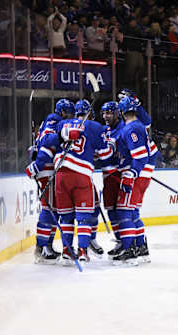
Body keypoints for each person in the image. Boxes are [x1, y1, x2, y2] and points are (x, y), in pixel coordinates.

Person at [38, 100, 113, 264]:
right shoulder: (95, 126)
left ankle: (66, 251)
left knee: (65, 217)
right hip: (81, 175)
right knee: (84, 217)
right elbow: (106, 155)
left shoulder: (61, 123)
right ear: (90, 114)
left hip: (60, 175)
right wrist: (108, 147)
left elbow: (46, 141)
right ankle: (82, 251)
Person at [25, 99, 75, 264]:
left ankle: (47, 246)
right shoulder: (55, 120)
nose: (71, 117)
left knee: (52, 209)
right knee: (49, 209)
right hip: (46, 168)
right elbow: (47, 143)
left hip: (48, 168)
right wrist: (38, 166)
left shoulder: (54, 120)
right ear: (62, 112)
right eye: (69, 113)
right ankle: (42, 248)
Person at [112, 96, 151, 264]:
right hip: (141, 174)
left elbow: (140, 156)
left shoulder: (132, 129)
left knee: (124, 211)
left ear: (121, 112)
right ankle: (141, 247)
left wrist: (131, 173)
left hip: (136, 173)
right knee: (133, 211)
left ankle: (130, 250)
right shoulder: (136, 126)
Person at [99, 100, 125, 257]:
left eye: (108, 113)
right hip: (107, 175)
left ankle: (129, 242)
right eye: (104, 113)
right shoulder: (105, 129)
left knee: (122, 210)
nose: (105, 116)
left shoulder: (123, 129)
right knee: (111, 210)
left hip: (119, 174)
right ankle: (120, 240)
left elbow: (110, 150)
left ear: (116, 113)